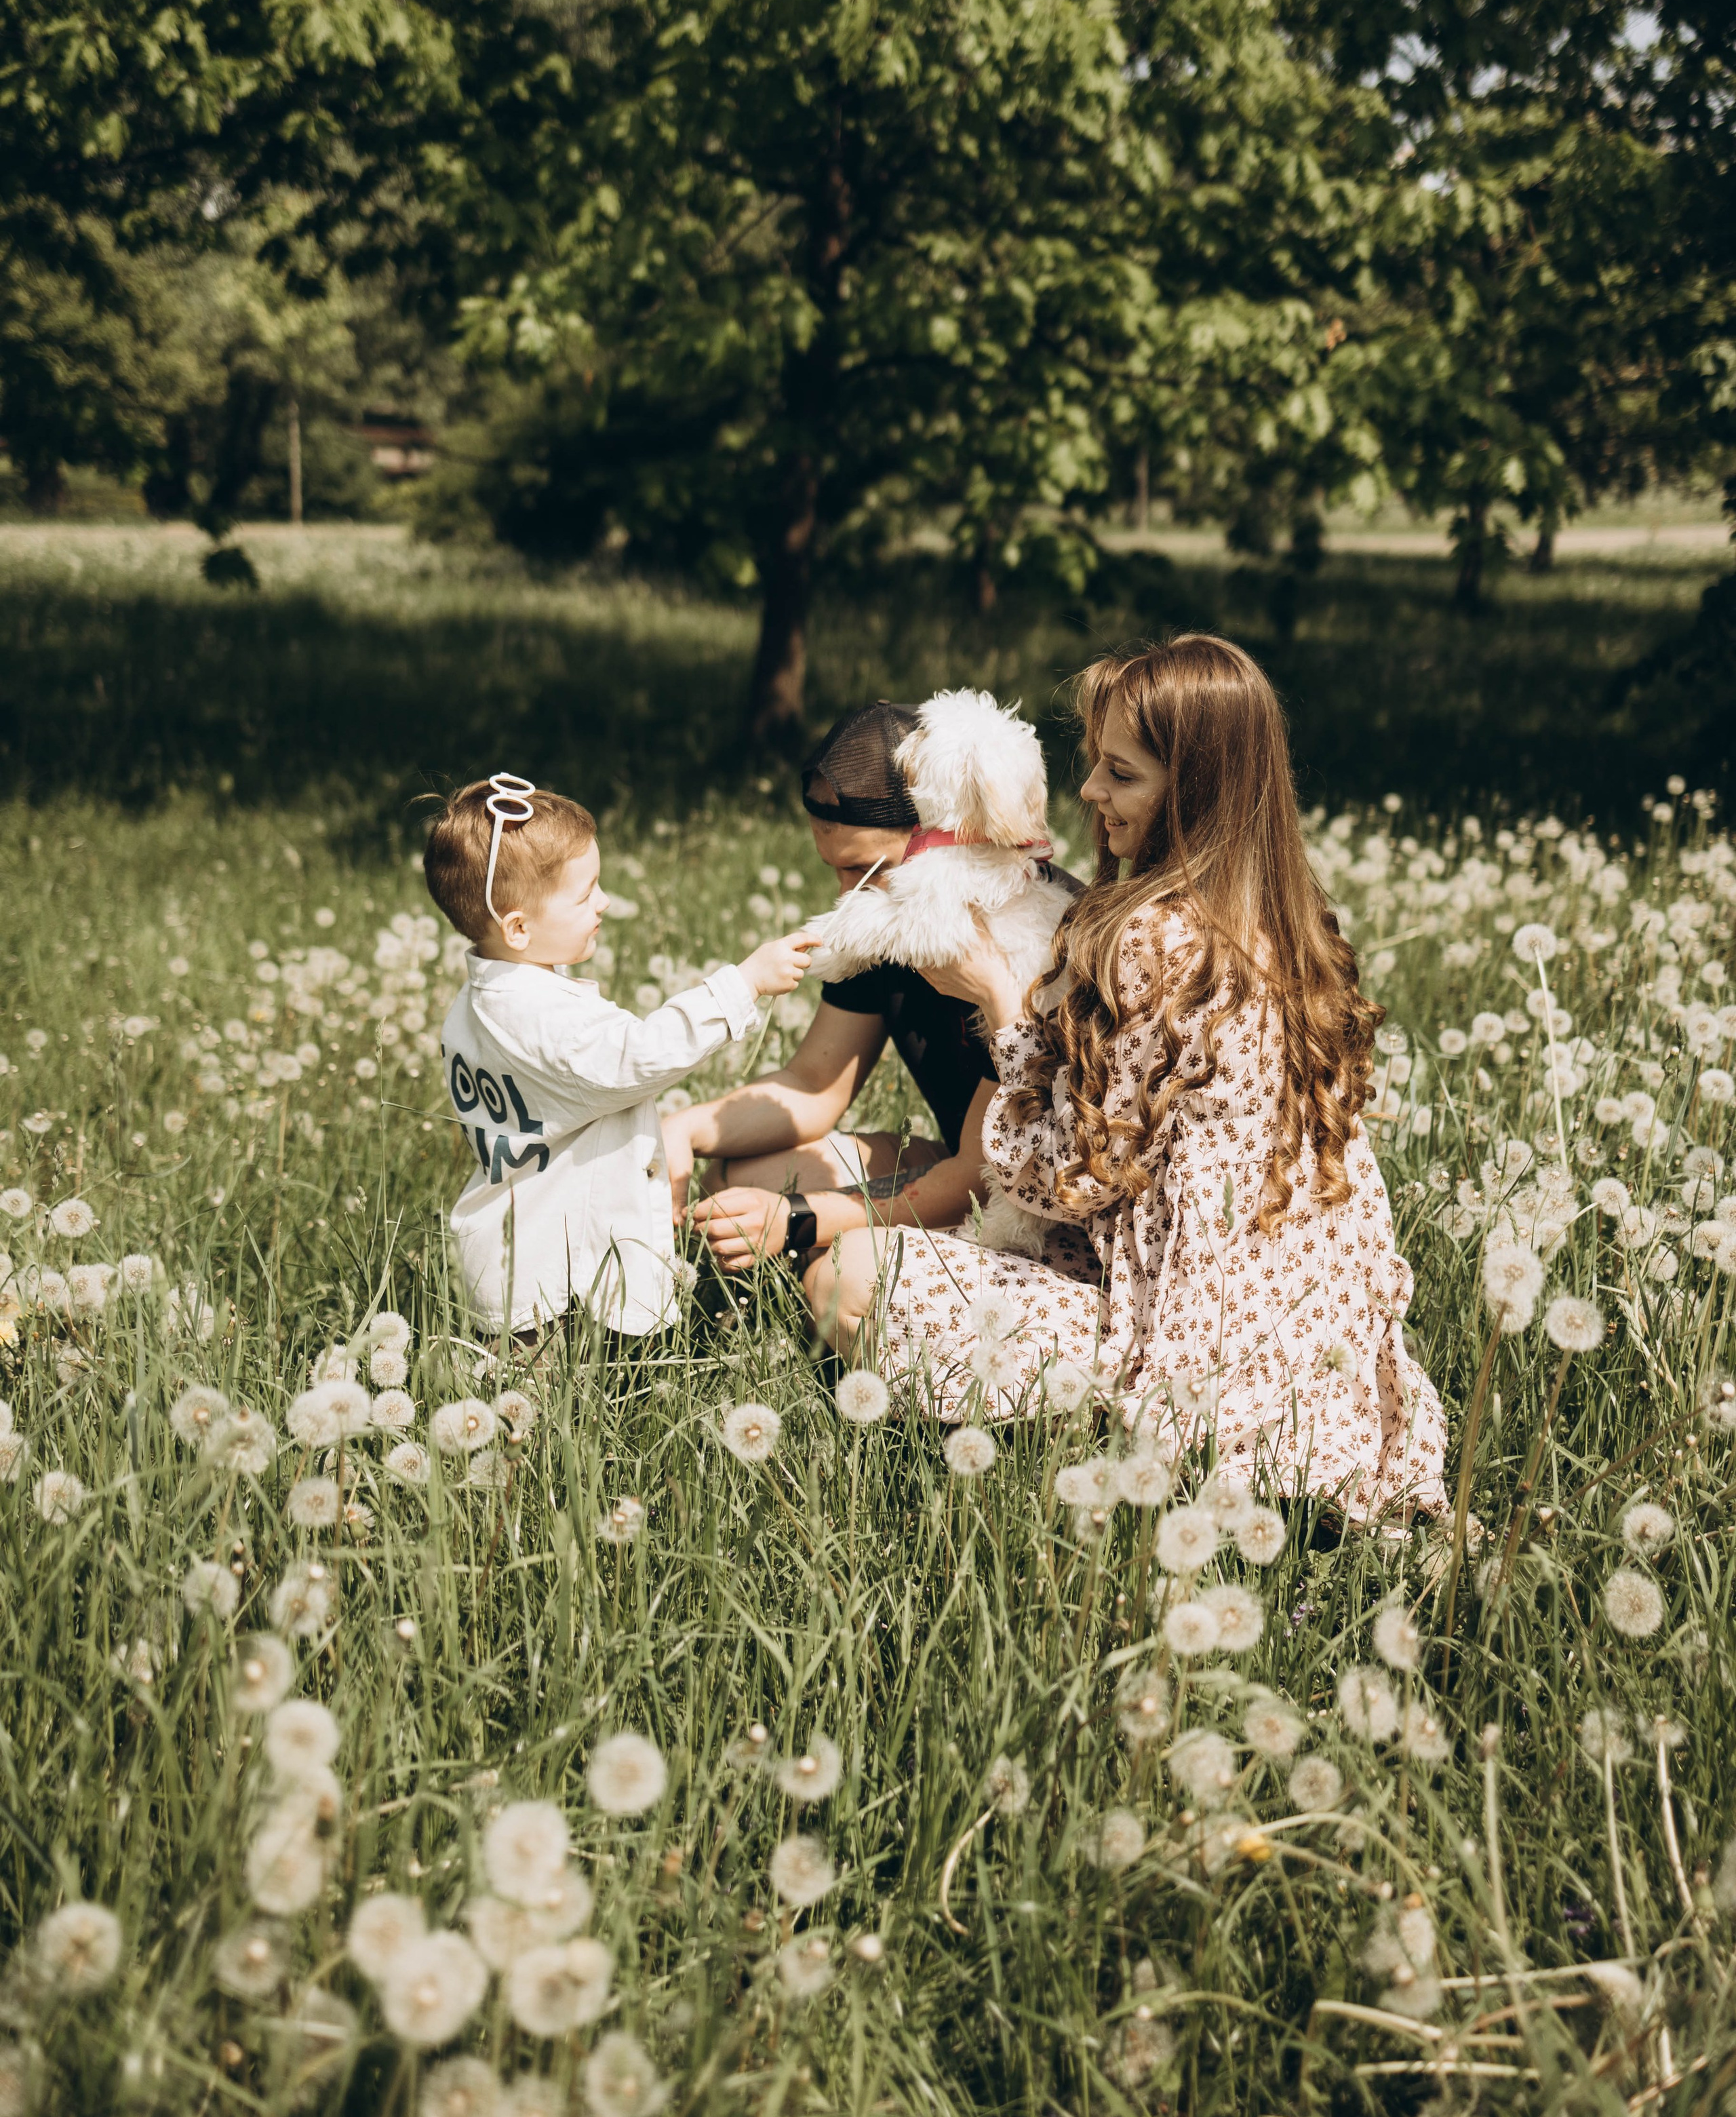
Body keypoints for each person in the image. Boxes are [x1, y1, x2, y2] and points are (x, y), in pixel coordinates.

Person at [787, 639, 1448, 1527]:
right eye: (1096, 763)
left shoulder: (1156, 939)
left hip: (1180, 1340)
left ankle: (1107, 1440)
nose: (1092, 791)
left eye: (1122, 774)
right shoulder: (1287, 922)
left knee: (848, 1278)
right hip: (1307, 1348)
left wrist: (998, 997)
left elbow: (1064, 1181)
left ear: (1199, 789)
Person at [665, 703, 1078, 1269]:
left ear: (943, 839)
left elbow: (981, 1172)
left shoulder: (1034, 938)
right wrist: (681, 1129)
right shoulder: (884, 919)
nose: (846, 896)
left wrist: (799, 1218)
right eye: (835, 869)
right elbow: (814, 1084)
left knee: (839, 1264)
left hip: (1036, 1202)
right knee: (734, 1181)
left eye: (868, 871)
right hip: (959, 1162)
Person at [425, 773, 818, 1340]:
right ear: (518, 927)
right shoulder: (546, 1020)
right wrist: (745, 984)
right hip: (551, 1276)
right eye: (585, 894)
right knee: (541, 1395)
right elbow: (641, 1056)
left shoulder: (481, 1002)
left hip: (514, 1252)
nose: (604, 902)